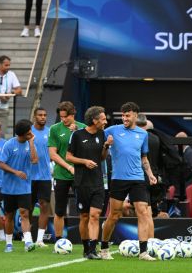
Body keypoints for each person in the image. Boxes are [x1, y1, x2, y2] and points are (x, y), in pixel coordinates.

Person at [100, 102, 157, 261]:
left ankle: (143, 252)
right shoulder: (112, 131)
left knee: (143, 213)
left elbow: (144, 158)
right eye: (123, 115)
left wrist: (150, 174)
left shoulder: (143, 134)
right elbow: (93, 136)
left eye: (128, 115)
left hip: (138, 179)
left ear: (135, 116)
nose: (124, 118)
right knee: (114, 215)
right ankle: (104, 247)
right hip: (118, 179)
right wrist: (105, 145)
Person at [66, 106, 112, 259]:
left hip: (98, 182)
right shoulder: (77, 135)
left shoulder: (102, 134)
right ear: (94, 120)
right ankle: (86, 249)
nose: (106, 121)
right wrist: (84, 161)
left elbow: (103, 157)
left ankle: (92, 249)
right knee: (84, 216)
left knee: (95, 215)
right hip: (81, 182)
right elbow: (69, 157)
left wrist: (106, 146)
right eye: (103, 119)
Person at [48, 102, 86, 243]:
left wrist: (76, 133)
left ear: (73, 114)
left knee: (84, 211)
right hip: (61, 175)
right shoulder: (54, 129)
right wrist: (69, 167)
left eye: (66, 117)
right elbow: (53, 154)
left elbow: (87, 150)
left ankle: (86, 242)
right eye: (61, 116)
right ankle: (58, 241)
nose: (63, 119)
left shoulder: (83, 128)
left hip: (81, 175)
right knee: (59, 210)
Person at [0, 119, 38, 253]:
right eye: (29, 131)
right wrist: (16, 172)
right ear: (23, 133)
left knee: (24, 213)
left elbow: (34, 160)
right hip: (9, 187)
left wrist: (32, 143)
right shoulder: (9, 145)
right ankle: (8, 244)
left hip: (24, 187)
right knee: (9, 215)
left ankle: (28, 241)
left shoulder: (30, 143)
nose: (31, 133)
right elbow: (1, 163)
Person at [30, 107, 52, 247]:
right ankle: (26, 236)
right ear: (35, 116)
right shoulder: (28, 132)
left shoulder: (51, 132)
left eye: (45, 115)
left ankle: (39, 239)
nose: (43, 117)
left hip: (45, 176)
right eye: (40, 115)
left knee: (44, 206)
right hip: (30, 176)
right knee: (28, 207)